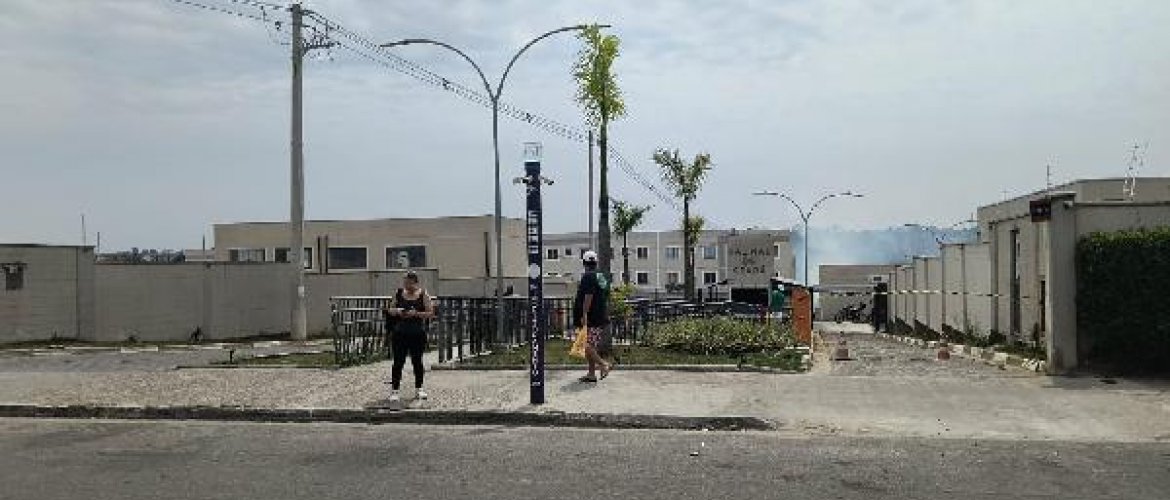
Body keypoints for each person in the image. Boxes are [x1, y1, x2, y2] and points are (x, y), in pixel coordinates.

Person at [384, 271, 435, 405]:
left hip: (417, 333)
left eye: (409, 283)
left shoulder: (423, 294)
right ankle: (395, 391)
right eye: (405, 282)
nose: (406, 285)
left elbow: (430, 313)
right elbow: (390, 309)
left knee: (417, 361)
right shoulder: (399, 293)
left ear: (415, 282)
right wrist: (397, 311)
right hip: (400, 332)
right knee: (398, 362)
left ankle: (419, 388)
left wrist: (416, 313)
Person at [573, 250, 612, 382]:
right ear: (596, 262)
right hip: (599, 315)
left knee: (584, 344)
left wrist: (584, 314)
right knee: (591, 346)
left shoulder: (588, 276)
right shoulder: (601, 276)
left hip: (590, 317)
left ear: (584, 263)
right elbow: (605, 295)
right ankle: (591, 374)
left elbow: (588, 296)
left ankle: (603, 364)